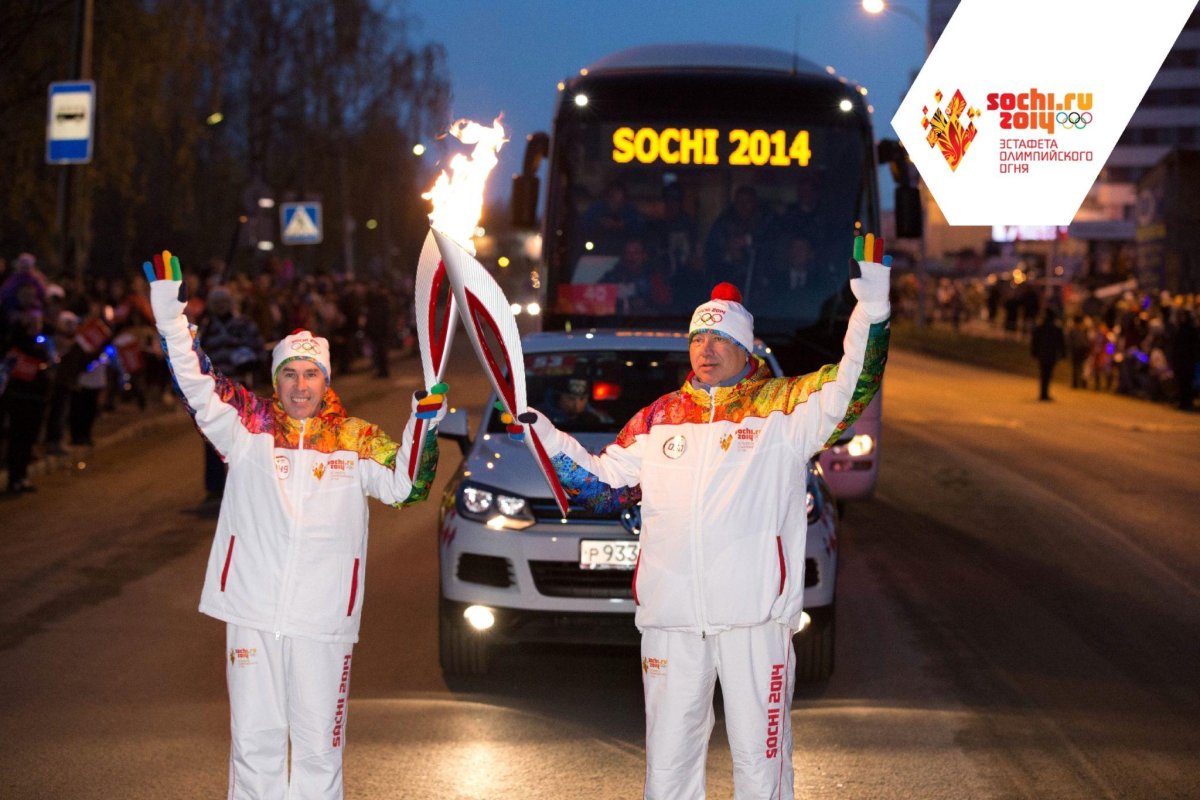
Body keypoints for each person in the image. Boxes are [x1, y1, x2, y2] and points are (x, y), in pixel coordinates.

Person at [518, 235, 892, 799]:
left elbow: (852, 386)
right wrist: (542, 435)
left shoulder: (783, 410)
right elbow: (602, 488)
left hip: (754, 618)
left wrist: (873, 311)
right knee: (668, 768)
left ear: (747, 349)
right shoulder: (659, 419)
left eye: (721, 338)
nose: (707, 348)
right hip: (671, 619)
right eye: (699, 337)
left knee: (760, 765)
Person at [146, 250, 446, 800]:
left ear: (325, 380)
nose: (300, 385)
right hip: (252, 610)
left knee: (317, 749)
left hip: (323, 618)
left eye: (310, 374)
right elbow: (195, 379)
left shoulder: (356, 439)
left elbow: (408, 487)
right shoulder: (247, 425)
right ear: (276, 380)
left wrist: (423, 424)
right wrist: (169, 313)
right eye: (289, 374)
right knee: (254, 744)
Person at [195, 286, 265, 503]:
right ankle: (215, 487)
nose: (221, 306)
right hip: (214, 392)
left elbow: (260, 350)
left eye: (224, 302)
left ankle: (245, 484)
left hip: (241, 388)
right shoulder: (206, 329)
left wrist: (251, 361)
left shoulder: (244, 326)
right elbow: (196, 357)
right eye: (216, 303)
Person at [546, 377, 613, 430]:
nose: (577, 405)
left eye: (582, 399)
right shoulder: (541, 417)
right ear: (558, 398)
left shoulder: (600, 419)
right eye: (571, 399)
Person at [1031, 309, 1066, 401]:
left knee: (1043, 374)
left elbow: (1034, 342)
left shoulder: (1040, 328)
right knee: (1048, 374)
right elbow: (1061, 343)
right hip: (1051, 355)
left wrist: (1034, 353)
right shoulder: (1056, 329)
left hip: (1042, 354)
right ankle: (1045, 393)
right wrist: (1063, 354)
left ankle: (1043, 393)